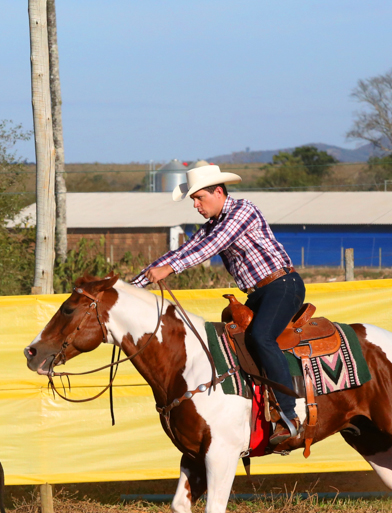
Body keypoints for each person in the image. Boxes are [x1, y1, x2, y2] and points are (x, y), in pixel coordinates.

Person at [130, 163, 306, 445]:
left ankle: (290, 415)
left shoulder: (242, 211)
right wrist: (130, 287)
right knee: (234, 343)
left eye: (199, 198)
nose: (196, 205)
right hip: (259, 293)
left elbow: (208, 248)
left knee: (261, 337)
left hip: (282, 286)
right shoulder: (213, 225)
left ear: (219, 191)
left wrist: (170, 270)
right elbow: (185, 249)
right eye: (193, 200)